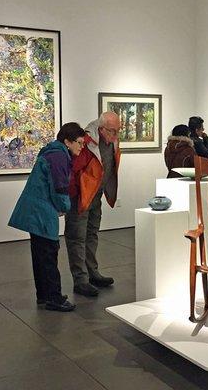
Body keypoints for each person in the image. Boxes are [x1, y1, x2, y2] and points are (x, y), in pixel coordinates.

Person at [8, 122, 86, 312]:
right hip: (41, 212)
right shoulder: (59, 156)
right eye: (79, 143)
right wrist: (65, 207)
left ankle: (44, 295)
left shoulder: (52, 152)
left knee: (40, 254)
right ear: (67, 141)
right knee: (49, 254)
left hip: (36, 210)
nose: (81, 147)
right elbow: (59, 187)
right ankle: (54, 298)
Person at [65, 111, 121, 297]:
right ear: (101, 128)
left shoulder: (112, 141)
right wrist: (74, 195)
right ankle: (80, 280)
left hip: (96, 196)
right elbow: (73, 170)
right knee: (77, 237)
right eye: (112, 131)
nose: (115, 136)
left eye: (118, 131)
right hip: (81, 197)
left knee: (92, 234)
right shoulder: (86, 142)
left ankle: (92, 273)